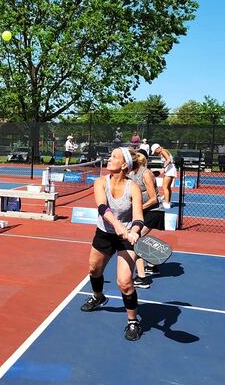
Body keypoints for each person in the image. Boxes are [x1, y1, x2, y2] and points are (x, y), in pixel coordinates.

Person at [79, 146, 145, 341]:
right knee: (94, 270)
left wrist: (134, 231)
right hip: (104, 233)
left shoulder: (133, 187)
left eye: (114, 157)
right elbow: (102, 207)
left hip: (126, 238)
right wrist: (117, 225)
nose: (109, 159)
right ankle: (98, 296)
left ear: (124, 165)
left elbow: (138, 216)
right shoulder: (101, 182)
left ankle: (133, 321)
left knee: (124, 282)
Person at [131, 149, 165, 289]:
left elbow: (153, 199)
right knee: (137, 240)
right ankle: (152, 265)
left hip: (153, 212)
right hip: (143, 212)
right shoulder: (131, 173)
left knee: (135, 241)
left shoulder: (146, 173)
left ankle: (142, 278)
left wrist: (138, 209)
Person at [150, 143, 176, 210]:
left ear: (158, 148)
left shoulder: (163, 151)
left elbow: (169, 160)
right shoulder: (163, 151)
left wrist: (163, 168)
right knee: (167, 187)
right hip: (170, 169)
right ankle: (168, 202)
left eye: (155, 151)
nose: (155, 153)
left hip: (170, 169)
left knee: (165, 187)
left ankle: (167, 203)